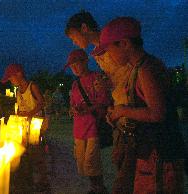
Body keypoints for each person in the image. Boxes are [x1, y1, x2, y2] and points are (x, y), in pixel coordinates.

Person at [93, 16, 185, 193]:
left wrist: (122, 111)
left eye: (110, 49)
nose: (109, 56)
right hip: (151, 152)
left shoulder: (146, 68)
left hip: (160, 153)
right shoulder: (140, 66)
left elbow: (157, 113)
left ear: (125, 44)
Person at [65, 11, 134, 193]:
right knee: (122, 160)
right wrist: (107, 84)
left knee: (128, 164)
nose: (73, 42)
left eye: (73, 36)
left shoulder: (110, 41)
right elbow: (118, 77)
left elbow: (129, 71)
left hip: (133, 106)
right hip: (122, 109)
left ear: (84, 28)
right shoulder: (97, 52)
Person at [65, 49, 110, 194]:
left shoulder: (97, 78)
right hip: (78, 128)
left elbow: (104, 101)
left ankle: (99, 188)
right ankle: (94, 187)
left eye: (76, 64)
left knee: (92, 160)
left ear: (85, 61)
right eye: (71, 66)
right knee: (82, 161)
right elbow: (72, 104)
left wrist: (87, 110)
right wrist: (73, 110)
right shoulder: (74, 84)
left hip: (93, 126)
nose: (74, 68)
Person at [1, 63, 49, 192]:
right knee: (27, 154)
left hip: (36, 126)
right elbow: (20, 106)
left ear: (19, 74)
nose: (11, 81)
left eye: (11, 78)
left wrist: (30, 113)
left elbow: (41, 102)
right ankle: (31, 180)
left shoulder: (32, 86)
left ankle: (43, 182)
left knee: (37, 153)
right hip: (24, 127)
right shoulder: (17, 91)